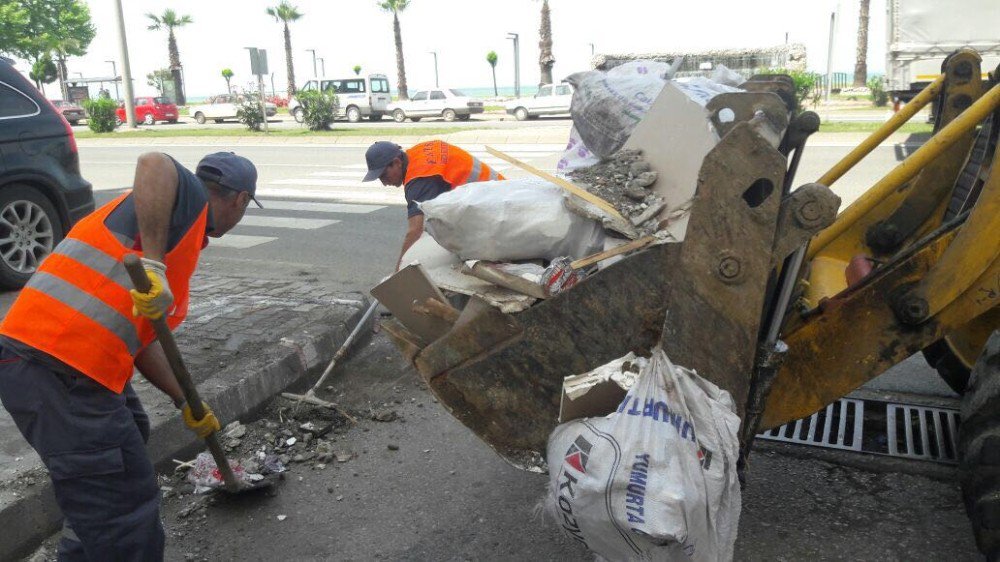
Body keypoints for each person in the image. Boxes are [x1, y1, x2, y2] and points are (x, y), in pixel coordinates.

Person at [0, 151, 262, 561]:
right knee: (121, 504)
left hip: (59, 364)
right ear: (240, 200)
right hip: (56, 363)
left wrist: (186, 402)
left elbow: (143, 341)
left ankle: (84, 545)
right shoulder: (187, 199)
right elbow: (154, 162)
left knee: (124, 451)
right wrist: (154, 265)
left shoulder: (176, 224)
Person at [362, 140, 505, 268]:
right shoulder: (417, 153)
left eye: (383, 176)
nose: (384, 183)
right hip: (500, 192)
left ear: (397, 163)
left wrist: (399, 269)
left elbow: (415, 231)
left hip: (494, 208)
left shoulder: (419, 177)